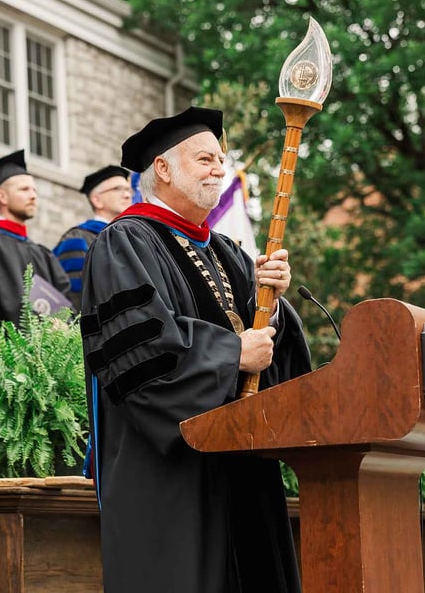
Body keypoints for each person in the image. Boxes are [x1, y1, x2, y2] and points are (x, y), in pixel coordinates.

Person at [80, 106, 312, 593]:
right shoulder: (124, 242)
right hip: (170, 473)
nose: (219, 168)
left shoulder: (228, 252)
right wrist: (232, 355)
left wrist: (270, 306)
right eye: (205, 158)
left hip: (240, 463)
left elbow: (268, 353)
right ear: (162, 169)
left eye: (221, 159)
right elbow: (142, 358)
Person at [0, 150, 70, 325]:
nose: (33, 196)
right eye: (24, 189)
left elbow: (63, 304)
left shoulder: (41, 252)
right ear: (2, 196)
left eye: (34, 190)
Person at [52, 165, 132, 309]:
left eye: (128, 189)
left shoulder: (133, 238)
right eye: (118, 189)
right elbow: (75, 296)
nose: (127, 195)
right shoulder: (77, 238)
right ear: (97, 200)